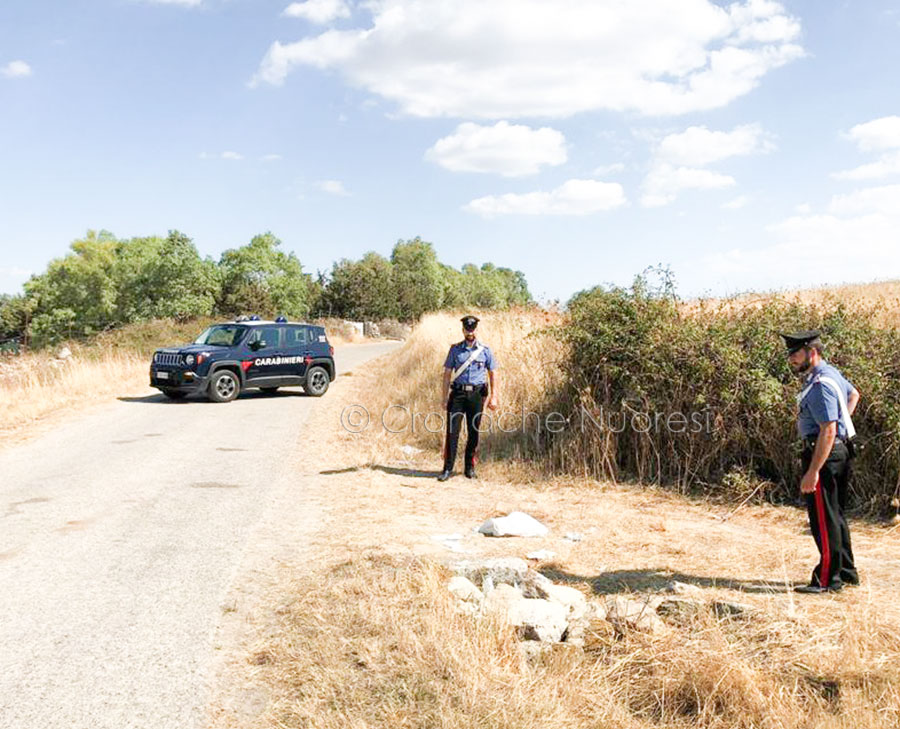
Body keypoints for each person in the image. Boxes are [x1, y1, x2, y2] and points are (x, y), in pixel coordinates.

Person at [781, 330, 860, 594]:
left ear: (811, 352)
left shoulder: (820, 385)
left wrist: (813, 471)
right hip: (838, 450)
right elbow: (854, 394)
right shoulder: (831, 373)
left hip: (822, 453)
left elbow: (827, 429)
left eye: (795, 354)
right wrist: (843, 425)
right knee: (835, 514)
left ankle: (827, 580)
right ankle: (846, 572)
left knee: (823, 520)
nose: (791, 359)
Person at [438, 315, 499, 481]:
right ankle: (447, 468)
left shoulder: (485, 351)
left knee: (473, 431)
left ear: (476, 330)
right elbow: (447, 374)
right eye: (467, 329)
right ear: (463, 330)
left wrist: (494, 396)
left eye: (472, 329)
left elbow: (493, 373)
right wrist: (444, 397)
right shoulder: (455, 350)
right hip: (458, 394)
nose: (470, 332)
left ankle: (469, 467)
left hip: (477, 395)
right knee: (452, 432)